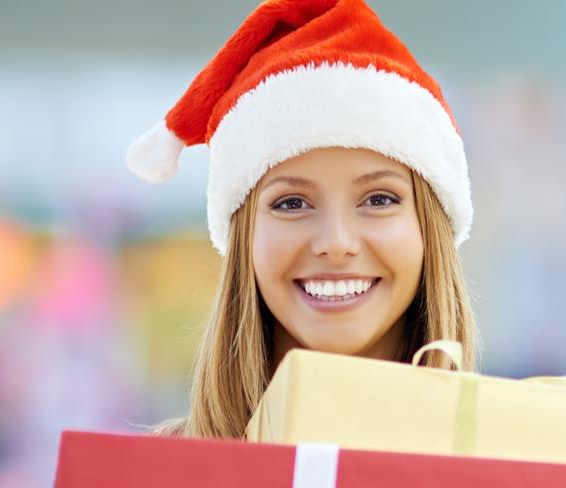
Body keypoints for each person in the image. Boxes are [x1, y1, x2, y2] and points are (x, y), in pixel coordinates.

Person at [126, 0, 480, 439]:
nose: (335, 242)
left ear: (431, 230)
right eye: (292, 203)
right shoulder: (156, 472)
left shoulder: (516, 462)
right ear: (244, 240)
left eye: (379, 198)